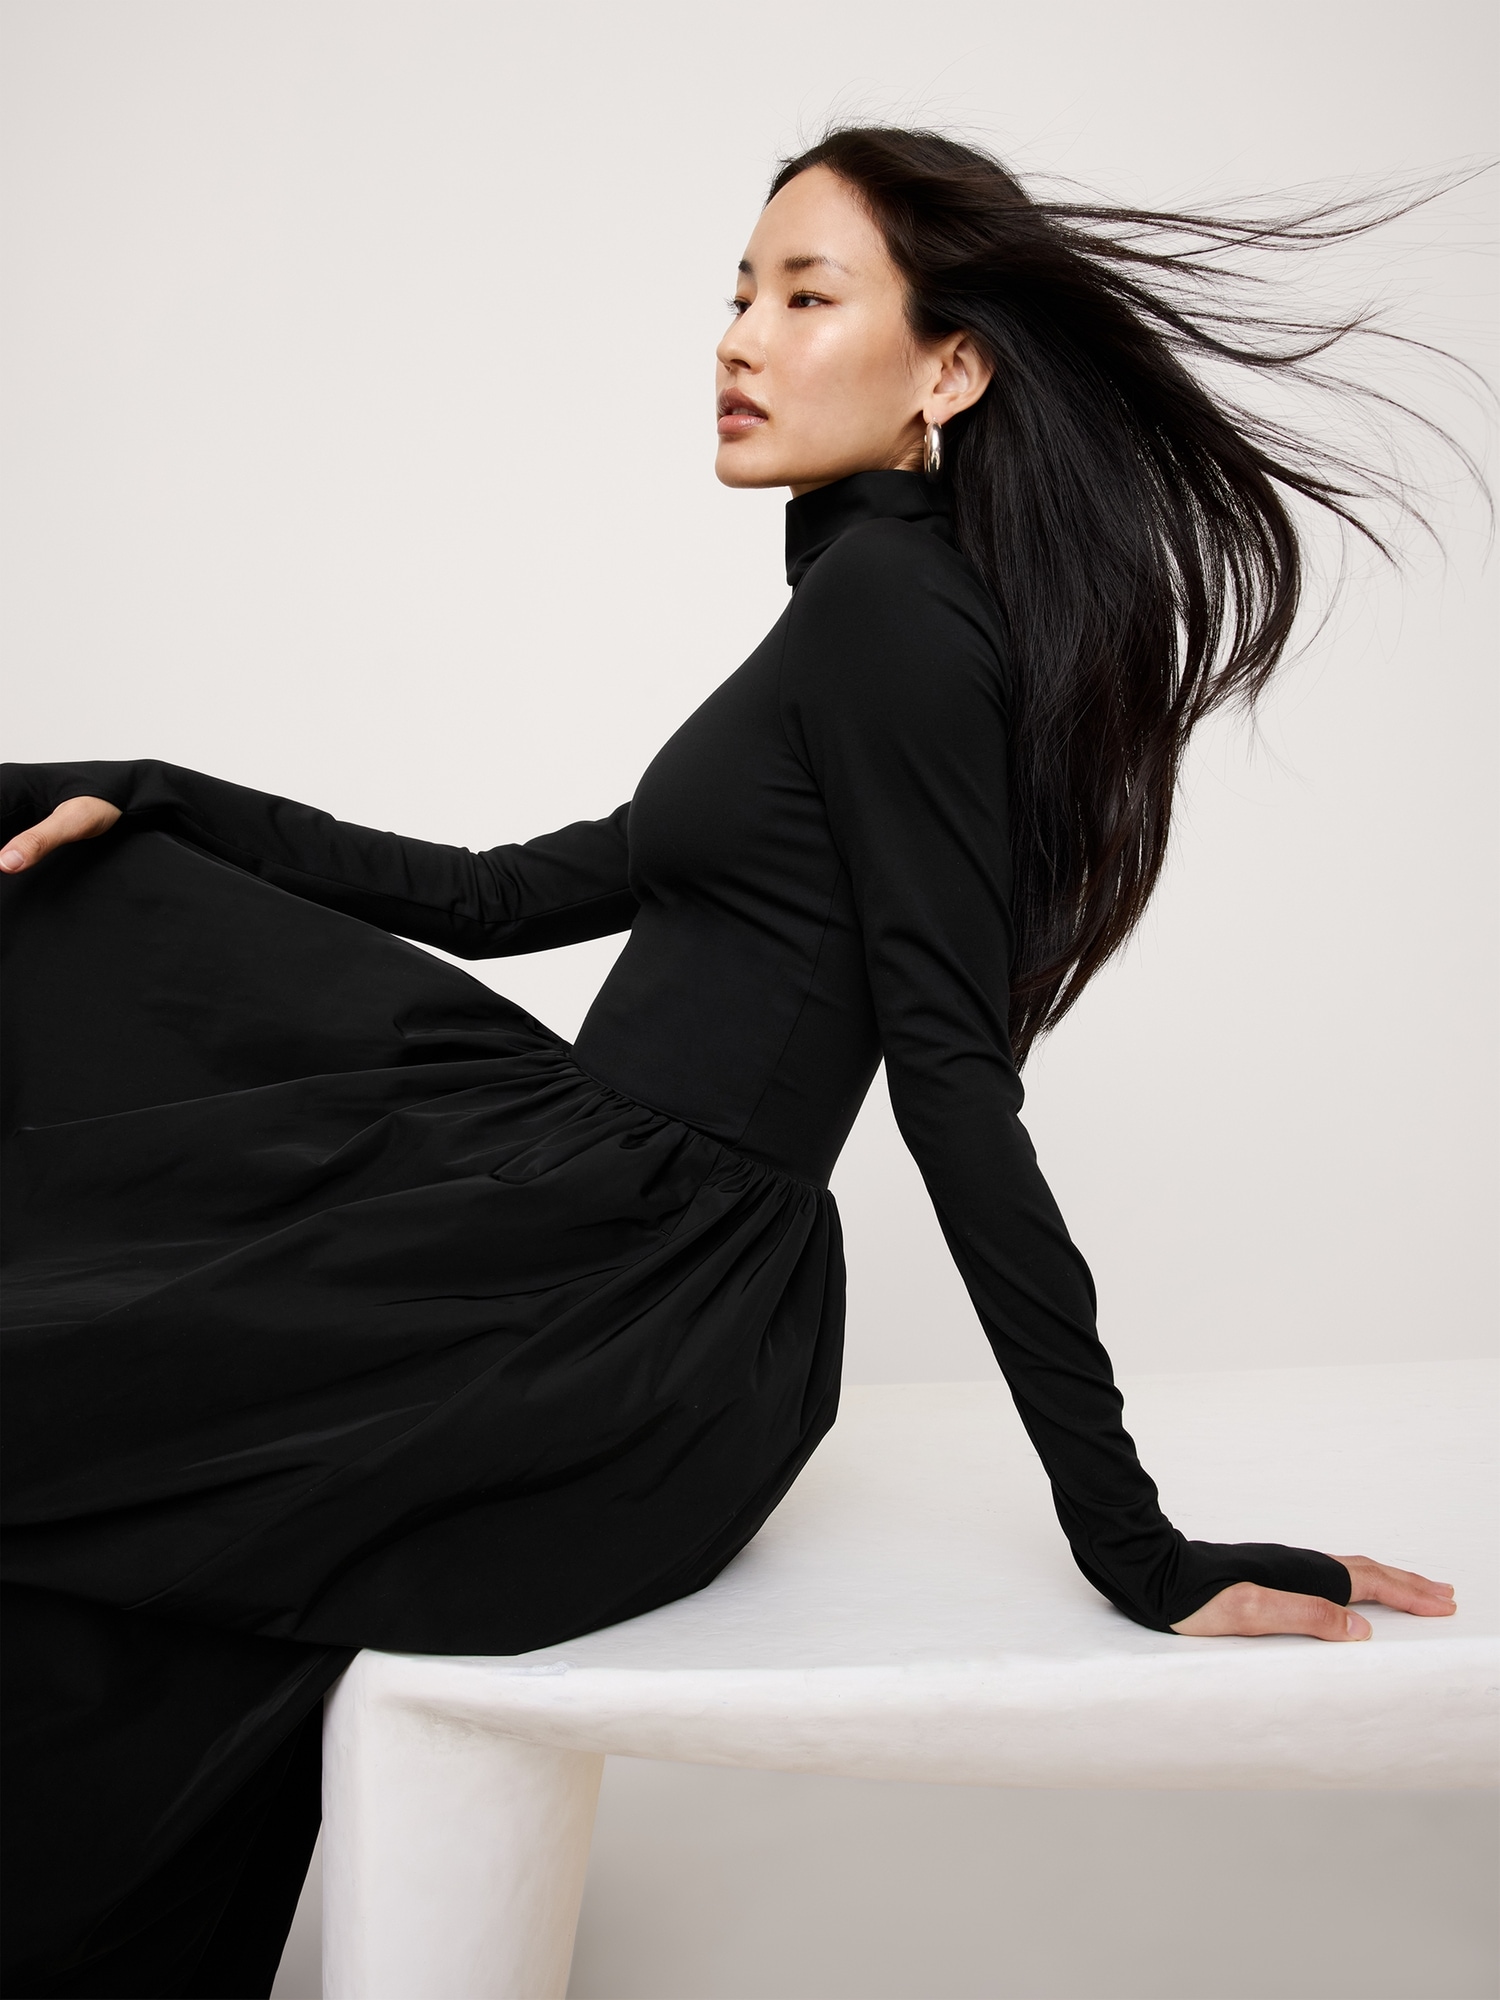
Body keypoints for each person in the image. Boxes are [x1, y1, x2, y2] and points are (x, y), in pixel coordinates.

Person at [0, 126, 1460, 1997]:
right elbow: (504, 893)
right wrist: (162, 795)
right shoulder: (853, 607)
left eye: (806, 294)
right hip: (590, 1231)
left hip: (621, 1297)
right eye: (738, 293)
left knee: (100, 1395)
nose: (741, 337)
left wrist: (1135, 1544)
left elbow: (951, 1079)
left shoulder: (894, 619)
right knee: (129, 1436)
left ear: (949, 371)